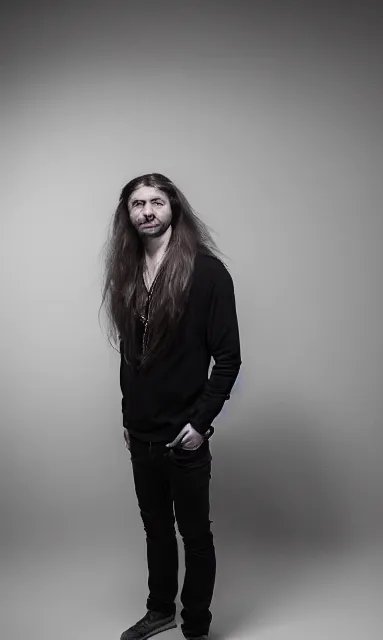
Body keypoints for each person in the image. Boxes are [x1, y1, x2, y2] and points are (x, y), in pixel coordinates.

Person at [100, 173, 242, 640]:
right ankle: (160, 609)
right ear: (128, 214)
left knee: (195, 535)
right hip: (140, 432)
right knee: (156, 530)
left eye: (156, 202)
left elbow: (228, 358)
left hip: (185, 433)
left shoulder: (207, 272)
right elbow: (130, 355)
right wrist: (127, 416)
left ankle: (196, 627)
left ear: (173, 208)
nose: (146, 211)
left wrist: (200, 424)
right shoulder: (127, 271)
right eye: (137, 203)